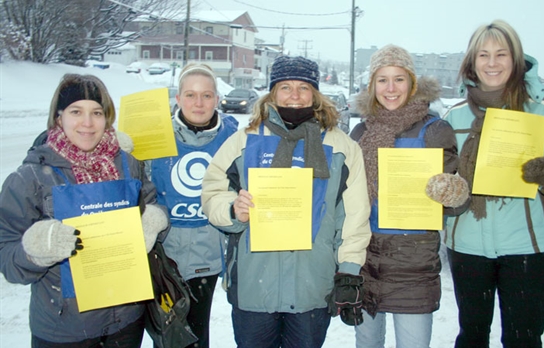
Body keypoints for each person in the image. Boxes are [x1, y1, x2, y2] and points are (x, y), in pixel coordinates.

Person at [200, 55, 372, 347]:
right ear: (272, 92)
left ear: (315, 94)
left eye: (303, 87)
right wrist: (232, 208)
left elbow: (353, 215)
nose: (294, 96)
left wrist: (349, 269)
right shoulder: (244, 141)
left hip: (312, 285)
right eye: (285, 87)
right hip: (254, 284)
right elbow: (212, 191)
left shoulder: (341, 147)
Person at [443, 20, 544, 347]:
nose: (492, 63)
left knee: (523, 339)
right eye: (483, 55)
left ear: (516, 60)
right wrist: (445, 191)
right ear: (472, 62)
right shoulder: (453, 116)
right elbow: (442, 173)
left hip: (528, 248)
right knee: (472, 337)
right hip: (467, 246)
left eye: (501, 54)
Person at [0, 73, 169, 347]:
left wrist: (155, 220)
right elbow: (6, 255)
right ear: (59, 117)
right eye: (76, 111)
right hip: (64, 330)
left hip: (126, 321)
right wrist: (35, 250)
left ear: (107, 117)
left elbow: (153, 206)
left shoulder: (127, 164)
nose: (88, 123)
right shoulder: (30, 177)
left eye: (97, 112)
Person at [349, 44, 469, 348]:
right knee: (367, 343)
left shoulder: (435, 130)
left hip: (413, 263)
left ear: (413, 83)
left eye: (399, 79)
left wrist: (452, 193)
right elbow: (346, 197)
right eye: (382, 79)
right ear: (372, 86)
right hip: (366, 259)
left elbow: (454, 202)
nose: (391, 88)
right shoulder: (360, 132)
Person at [147, 63, 238, 348]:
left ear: (217, 98)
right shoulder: (154, 136)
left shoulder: (233, 137)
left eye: (207, 95)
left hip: (206, 255)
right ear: (178, 98)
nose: (198, 103)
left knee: (197, 335)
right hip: (162, 255)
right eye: (190, 95)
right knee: (166, 334)